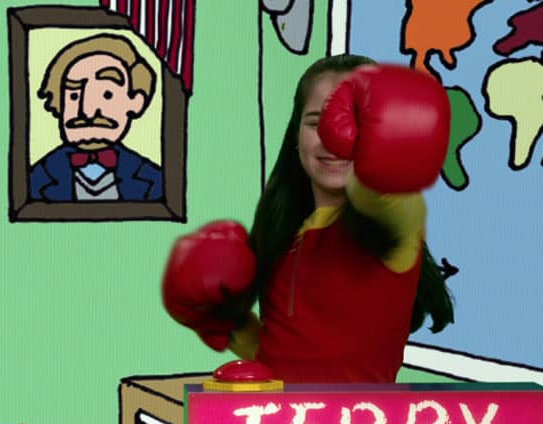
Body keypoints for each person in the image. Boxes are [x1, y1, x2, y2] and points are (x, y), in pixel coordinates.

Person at [162, 54, 455, 383]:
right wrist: (227, 325)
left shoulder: (392, 230)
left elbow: (390, 194)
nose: (334, 138)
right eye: (317, 123)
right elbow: (293, 359)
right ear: (296, 135)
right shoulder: (286, 233)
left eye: (354, 123)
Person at [30, 34, 163, 202]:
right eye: (74, 96)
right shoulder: (35, 180)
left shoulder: (155, 180)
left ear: (136, 101)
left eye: (107, 95)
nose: (87, 112)